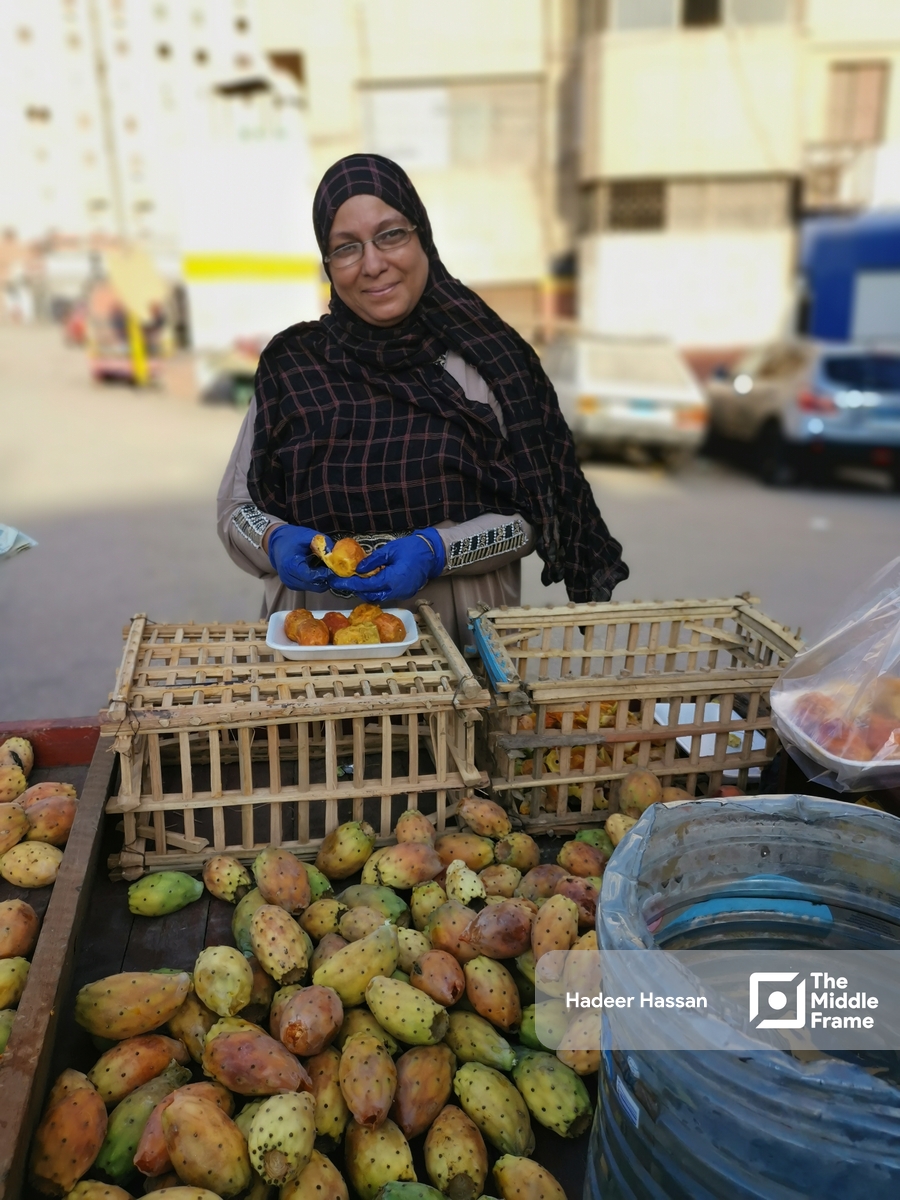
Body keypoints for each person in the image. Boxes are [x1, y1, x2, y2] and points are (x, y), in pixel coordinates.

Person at [218, 154, 628, 646]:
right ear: (328, 265)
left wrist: (440, 550)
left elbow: (535, 512)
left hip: (463, 654)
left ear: (422, 236)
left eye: (391, 234)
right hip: (318, 663)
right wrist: (273, 538)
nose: (373, 264)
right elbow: (237, 507)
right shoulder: (293, 367)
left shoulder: (492, 362)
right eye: (346, 247)